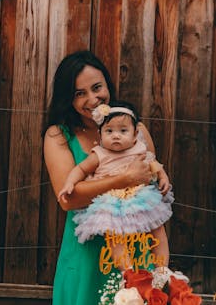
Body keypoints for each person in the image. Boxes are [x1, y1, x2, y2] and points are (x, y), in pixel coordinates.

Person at [44, 50, 169, 305]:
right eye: (80, 93)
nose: (92, 99)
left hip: (136, 248)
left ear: (108, 86)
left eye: (97, 87)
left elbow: (147, 181)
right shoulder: (58, 135)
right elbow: (68, 200)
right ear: (68, 99)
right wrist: (122, 179)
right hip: (87, 256)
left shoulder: (137, 129)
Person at [59, 100, 174, 273]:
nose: (116, 136)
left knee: (158, 230)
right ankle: (127, 272)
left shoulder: (139, 149)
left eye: (123, 131)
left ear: (135, 134)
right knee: (115, 237)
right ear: (100, 134)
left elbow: (153, 164)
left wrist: (163, 176)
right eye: (109, 131)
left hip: (140, 197)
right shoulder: (99, 154)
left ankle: (162, 270)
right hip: (112, 200)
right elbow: (81, 169)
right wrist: (69, 183)